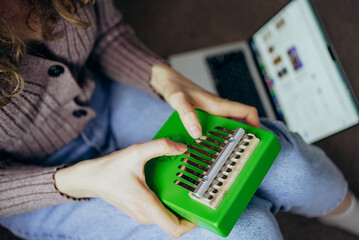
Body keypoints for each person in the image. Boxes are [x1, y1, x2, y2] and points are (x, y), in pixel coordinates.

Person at [0, 0, 358, 239]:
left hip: (104, 96)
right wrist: (83, 179)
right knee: (247, 230)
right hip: (33, 187)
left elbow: (106, 34)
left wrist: (163, 78)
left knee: (286, 163)